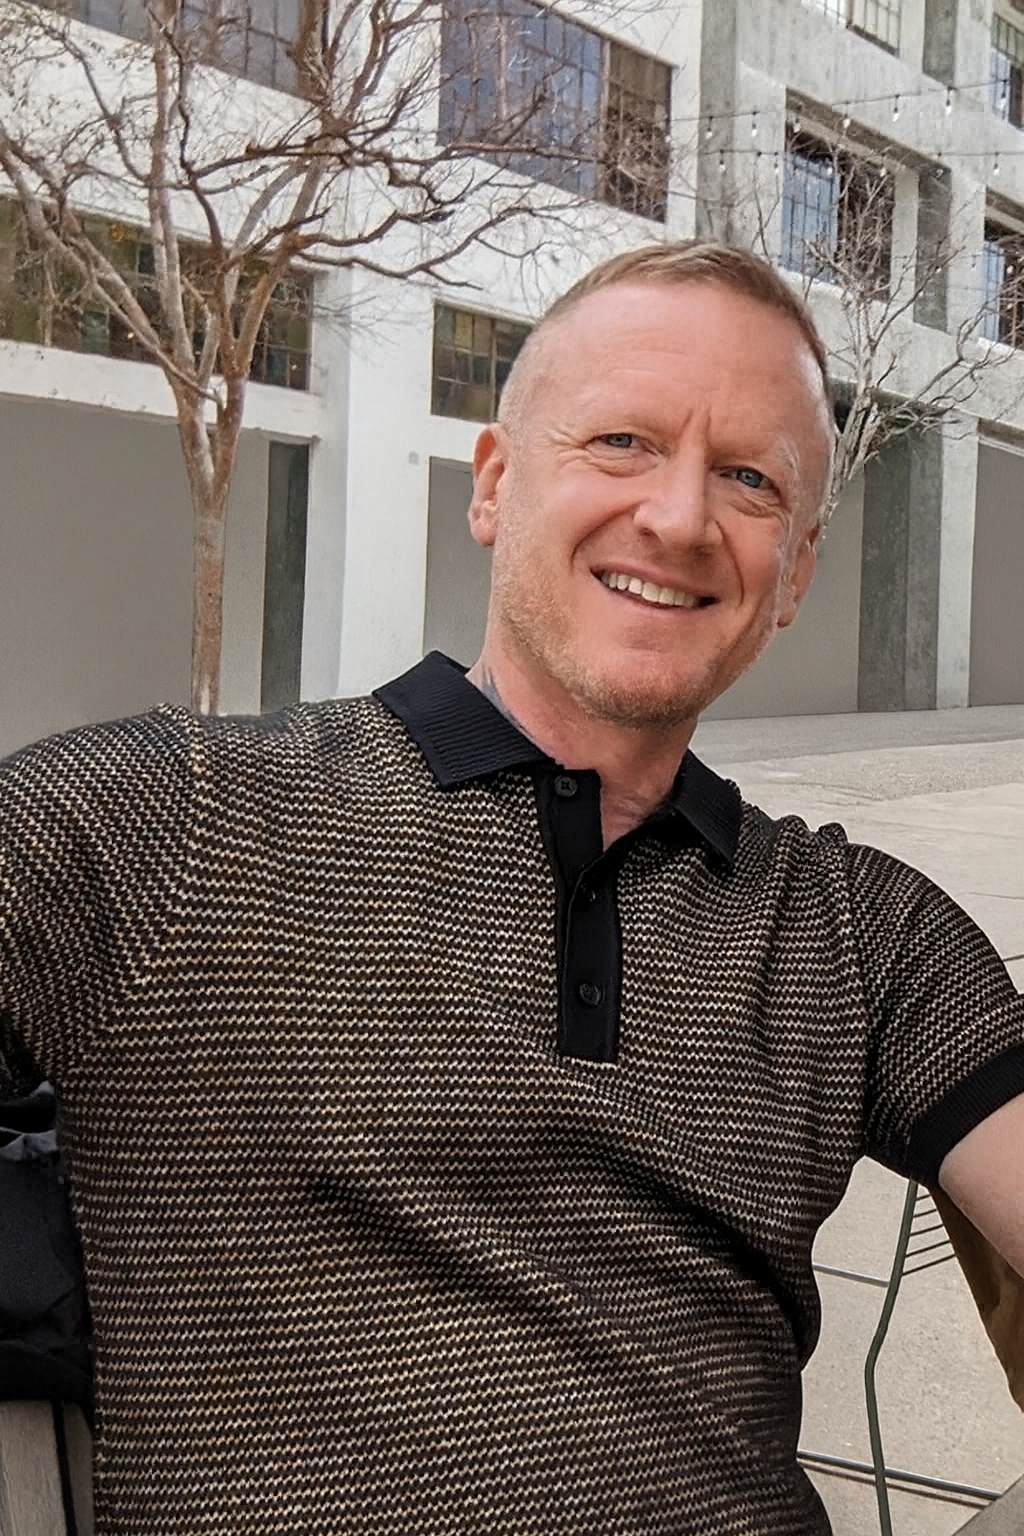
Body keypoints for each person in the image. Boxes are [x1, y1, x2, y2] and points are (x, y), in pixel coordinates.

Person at [1, 240, 1022, 1536]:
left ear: (797, 574)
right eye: (622, 442)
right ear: (493, 484)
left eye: (749, 478)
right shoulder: (174, 823)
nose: (680, 516)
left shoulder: (860, 936)